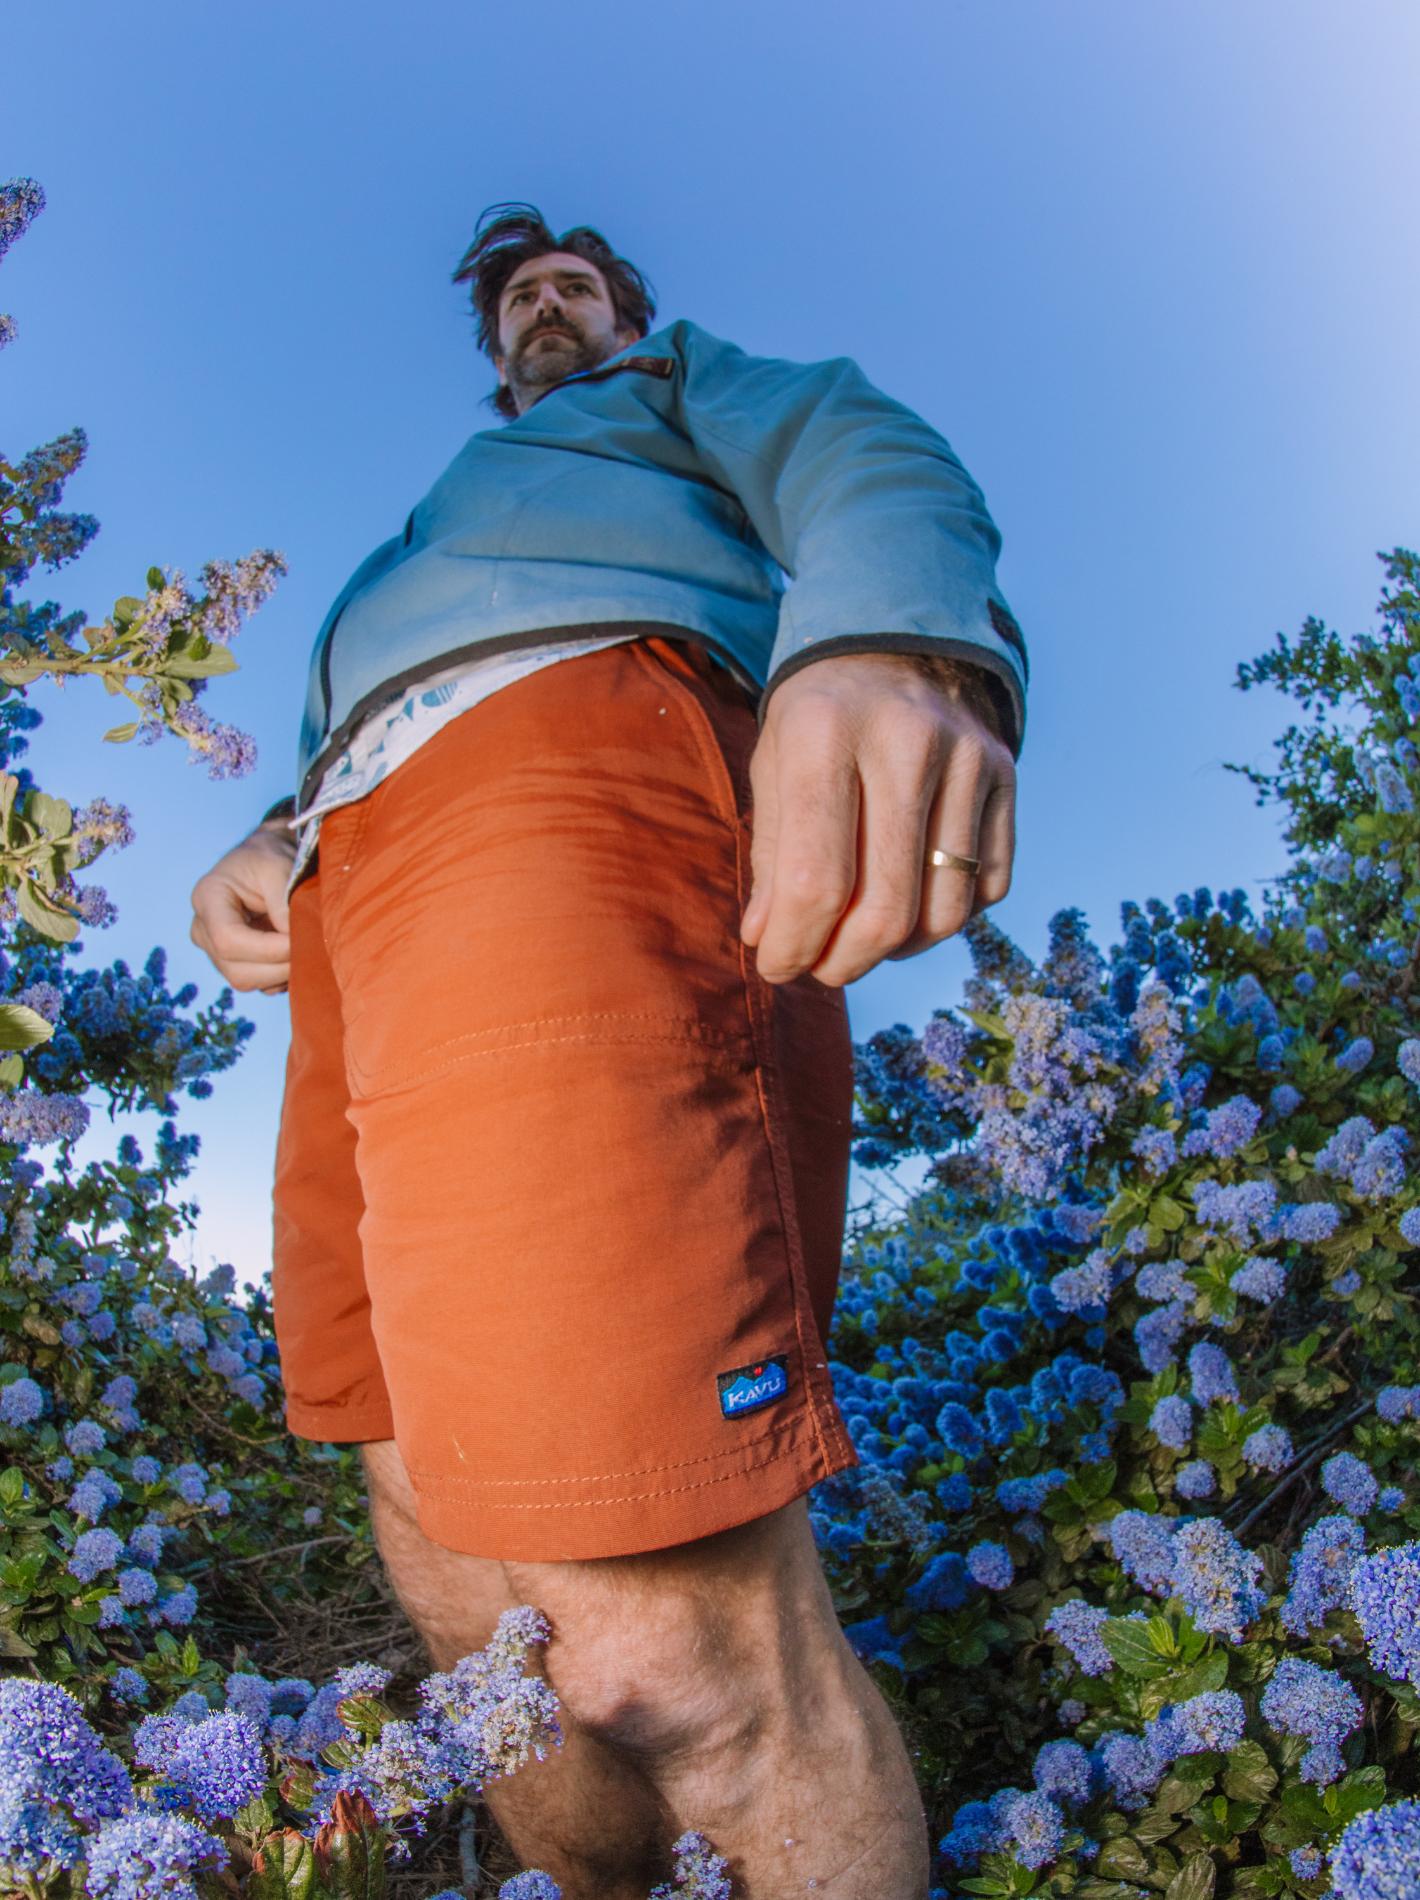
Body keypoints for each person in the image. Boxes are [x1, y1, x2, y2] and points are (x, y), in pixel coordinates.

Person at [189, 203, 1028, 1899]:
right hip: (361, 871)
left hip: (574, 770)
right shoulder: (427, 525)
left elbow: (865, 450)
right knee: (457, 1577)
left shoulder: (672, 388)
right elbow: (362, 711)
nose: (545, 307)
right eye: (519, 296)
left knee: (670, 1641)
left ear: (623, 313)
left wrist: (888, 636)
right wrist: (271, 830)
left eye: (572, 285)